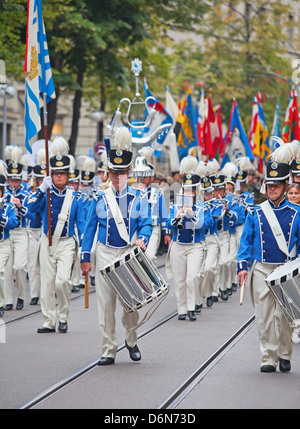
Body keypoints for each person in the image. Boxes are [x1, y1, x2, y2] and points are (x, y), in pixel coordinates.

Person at [80, 126, 152, 365]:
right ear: (108, 173)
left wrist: (143, 237)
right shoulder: (100, 197)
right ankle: (108, 349)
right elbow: (89, 228)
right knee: (105, 304)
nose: (118, 177)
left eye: (122, 172)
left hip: (127, 255)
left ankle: (131, 339)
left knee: (131, 304)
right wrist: (85, 257)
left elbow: (146, 224)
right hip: (105, 252)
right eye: (114, 172)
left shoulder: (138, 198)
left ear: (128, 172)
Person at [237, 139, 300, 373]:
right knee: (263, 317)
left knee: (284, 318)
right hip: (262, 269)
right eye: (269, 185)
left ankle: (284, 354)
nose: (271, 189)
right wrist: (242, 266)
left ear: (284, 185)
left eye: (276, 185)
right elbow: (246, 241)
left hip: (285, 271)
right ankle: (268, 356)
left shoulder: (297, 213)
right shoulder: (256, 212)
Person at [28, 137, 85, 333]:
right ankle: (48, 321)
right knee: (47, 284)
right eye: (56, 174)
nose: (59, 177)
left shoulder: (75, 197)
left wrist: (85, 248)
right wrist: (41, 188)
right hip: (47, 241)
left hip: (66, 242)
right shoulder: (45, 193)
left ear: (68, 176)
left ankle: (63, 317)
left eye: (62, 174)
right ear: (51, 175)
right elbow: (30, 210)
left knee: (62, 282)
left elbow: (81, 223)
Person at [166, 156, 205, 321]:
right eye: (186, 189)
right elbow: (168, 223)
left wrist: (191, 214)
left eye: (191, 190)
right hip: (178, 244)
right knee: (180, 279)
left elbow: (201, 224)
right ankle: (181, 309)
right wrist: (177, 216)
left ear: (195, 191)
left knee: (192, 277)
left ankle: (191, 307)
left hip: (195, 245)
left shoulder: (200, 206)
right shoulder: (176, 205)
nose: (188, 193)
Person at [3, 146, 34, 311]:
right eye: (11, 180)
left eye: (17, 180)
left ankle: (21, 296)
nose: (14, 183)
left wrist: (20, 206)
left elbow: (32, 216)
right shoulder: (4, 192)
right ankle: (8, 299)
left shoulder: (27, 192)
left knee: (19, 266)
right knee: (7, 269)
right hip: (7, 233)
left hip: (22, 233)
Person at [131, 147, 171, 263]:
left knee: (148, 257)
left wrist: (166, 232)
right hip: (136, 227)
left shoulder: (157, 193)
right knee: (136, 259)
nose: (142, 178)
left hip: (153, 229)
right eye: (140, 175)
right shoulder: (132, 191)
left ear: (151, 177)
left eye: (145, 176)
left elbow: (163, 214)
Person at [27, 149, 46, 305]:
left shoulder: (49, 192)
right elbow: (30, 209)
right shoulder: (32, 193)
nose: (40, 182)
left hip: (45, 231)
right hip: (33, 232)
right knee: (33, 264)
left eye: (42, 179)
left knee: (46, 264)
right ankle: (34, 293)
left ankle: (48, 291)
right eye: (38, 179)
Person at [0, 161, 18, 316]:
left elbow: (14, 222)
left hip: (4, 243)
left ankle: (1, 303)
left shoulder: (7, 205)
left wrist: (1, 218)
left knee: (0, 271)